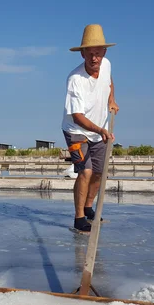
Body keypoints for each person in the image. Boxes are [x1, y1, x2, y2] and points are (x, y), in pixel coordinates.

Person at [61, 24, 119, 232]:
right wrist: (100, 130)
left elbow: (109, 81)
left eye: (98, 53)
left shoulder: (107, 65)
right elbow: (77, 117)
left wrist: (112, 100)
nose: (94, 59)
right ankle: (79, 218)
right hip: (76, 130)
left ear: (104, 52)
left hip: (99, 128)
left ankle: (88, 207)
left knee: (99, 172)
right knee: (85, 172)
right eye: (90, 54)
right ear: (82, 54)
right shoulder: (75, 79)